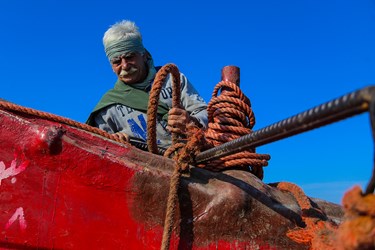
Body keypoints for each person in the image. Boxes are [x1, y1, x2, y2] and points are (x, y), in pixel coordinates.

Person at [86, 20, 208, 150]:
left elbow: (204, 111)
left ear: (144, 55)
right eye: (117, 62)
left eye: (130, 57)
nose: (125, 66)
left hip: (192, 154)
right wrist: (114, 141)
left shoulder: (172, 78)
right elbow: (99, 146)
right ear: (111, 67)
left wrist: (191, 122)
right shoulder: (107, 108)